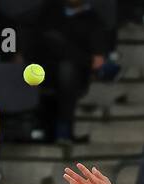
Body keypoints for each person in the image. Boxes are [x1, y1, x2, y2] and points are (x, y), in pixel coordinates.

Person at [32, 0, 109, 144]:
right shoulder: (50, 11)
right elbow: (39, 43)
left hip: (78, 73)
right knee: (53, 42)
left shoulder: (93, 18)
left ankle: (63, 130)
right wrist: (86, 59)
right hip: (45, 67)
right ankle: (61, 130)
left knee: (67, 69)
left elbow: (98, 54)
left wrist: (94, 57)